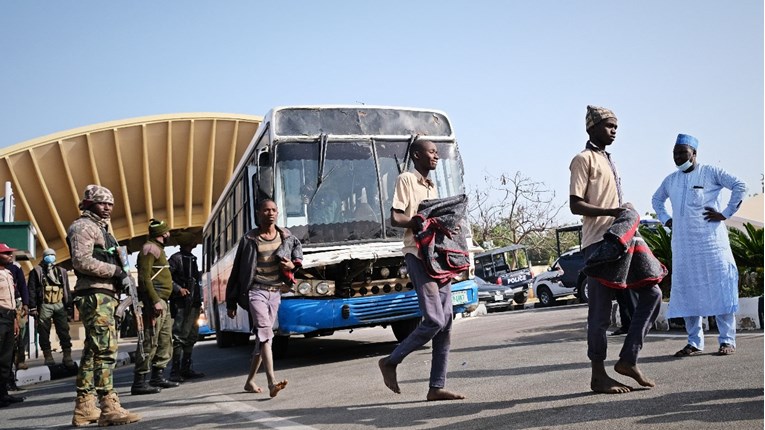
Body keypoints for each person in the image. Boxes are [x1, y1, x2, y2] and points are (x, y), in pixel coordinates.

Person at [569, 106, 662, 394]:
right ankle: (598, 376)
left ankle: (628, 359)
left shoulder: (610, 161)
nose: (614, 131)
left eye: (616, 126)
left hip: (622, 241)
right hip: (598, 244)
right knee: (599, 312)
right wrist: (614, 211)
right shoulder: (583, 160)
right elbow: (575, 204)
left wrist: (626, 214)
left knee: (653, 293)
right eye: (609, 126)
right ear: (592, 128)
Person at [378, 139, 466, 401]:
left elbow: (432, 222)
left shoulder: (432, 185)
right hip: (417, 255)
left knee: (446, 323)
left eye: (437, 152)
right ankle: (391, 361)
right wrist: (417, 221)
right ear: (417, 155)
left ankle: (436, 387)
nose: (436, 156)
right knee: (434, 320)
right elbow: (396, 218)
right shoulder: (406, 179)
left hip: (438, 257)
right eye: (431, 152)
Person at [651, 134, 747, 357]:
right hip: (684, 248)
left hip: (712, 245)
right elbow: (656, 200)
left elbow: (740, 185)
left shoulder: (711, 172)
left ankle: (727, 341)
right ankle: (694, 342)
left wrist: (725, 213)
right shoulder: (670, 180)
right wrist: (666, 219)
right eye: (674, 153)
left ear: (694, 153)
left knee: (720, 288)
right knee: (688, 293)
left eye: (681, 153)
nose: (677, 157)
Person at [68, 184, 139, 426]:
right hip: (95, 295)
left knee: (91, 351)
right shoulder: (83, 227)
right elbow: (81, 261)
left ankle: (85, 406)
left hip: (105, 294)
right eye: (102, 203)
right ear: (89, 204)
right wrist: (116, 271)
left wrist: (124, 278)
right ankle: (108, 405)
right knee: (106, 351)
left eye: (110, 203)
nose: (107, 207)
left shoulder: (102, 228)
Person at [226, 199, 301, 398]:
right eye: (266, 210)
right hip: (255, 291)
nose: (270, 213)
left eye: (274, 210)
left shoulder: (286, 236)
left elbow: (297, 257)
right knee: (266, 332)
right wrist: (231, 302)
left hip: (275, 292)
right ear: (258, 213)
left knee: (262, 338)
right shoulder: (249, 239)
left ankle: (250, 381)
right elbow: (236, 272)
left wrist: (293, 267)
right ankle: (271, 382)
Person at [131, 219, 180, 395]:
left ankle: (157, 376)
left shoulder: (159, 250)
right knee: (149, 341)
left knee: (165, 340)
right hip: (155, 303)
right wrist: (154, 300)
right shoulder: (149, 249)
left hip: (163, 302)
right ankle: (139, 381)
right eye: (167, 232)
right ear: (162, 234)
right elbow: (144, 278)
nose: (169, 235)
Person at [167, 232, 205, 383]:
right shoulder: (176, 259)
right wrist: (178, 289)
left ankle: (186, 368)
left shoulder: (191, 258)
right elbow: (166, 277)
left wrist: (198, 302)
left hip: (193, 302)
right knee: (178, 337)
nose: (195, 241)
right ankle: (175, 372)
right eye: (193, 239)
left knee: (191, 336)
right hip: (182, 303)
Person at [27, 248, 74, 367]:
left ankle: (67, 355)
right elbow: (31, 290)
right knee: (43, 331)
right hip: (44, 304)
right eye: (48, 255)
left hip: (59, 304)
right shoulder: (36, 271)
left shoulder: (61, 271)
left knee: (63, 330)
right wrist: (32, 307)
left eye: (52, 255)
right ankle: (48, 356)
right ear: (43, 257)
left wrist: (68, 306)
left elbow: (66, 289)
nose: (50, 257)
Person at [0, 243, 25, 408]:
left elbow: (12, 298)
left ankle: (3, 394)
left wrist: (15, 320)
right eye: (6, 253)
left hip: (9, 317)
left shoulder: (8, 273)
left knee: (6, 359)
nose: (10, 255)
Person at [3, 244, 30, 391]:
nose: (10, 255)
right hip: (4, 312)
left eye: (10, 253)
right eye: (6, 253)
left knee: (17, 340)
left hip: (14, 309)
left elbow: (22, 287)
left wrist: (26, 304)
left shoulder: (15, 268)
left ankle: (12, 378)